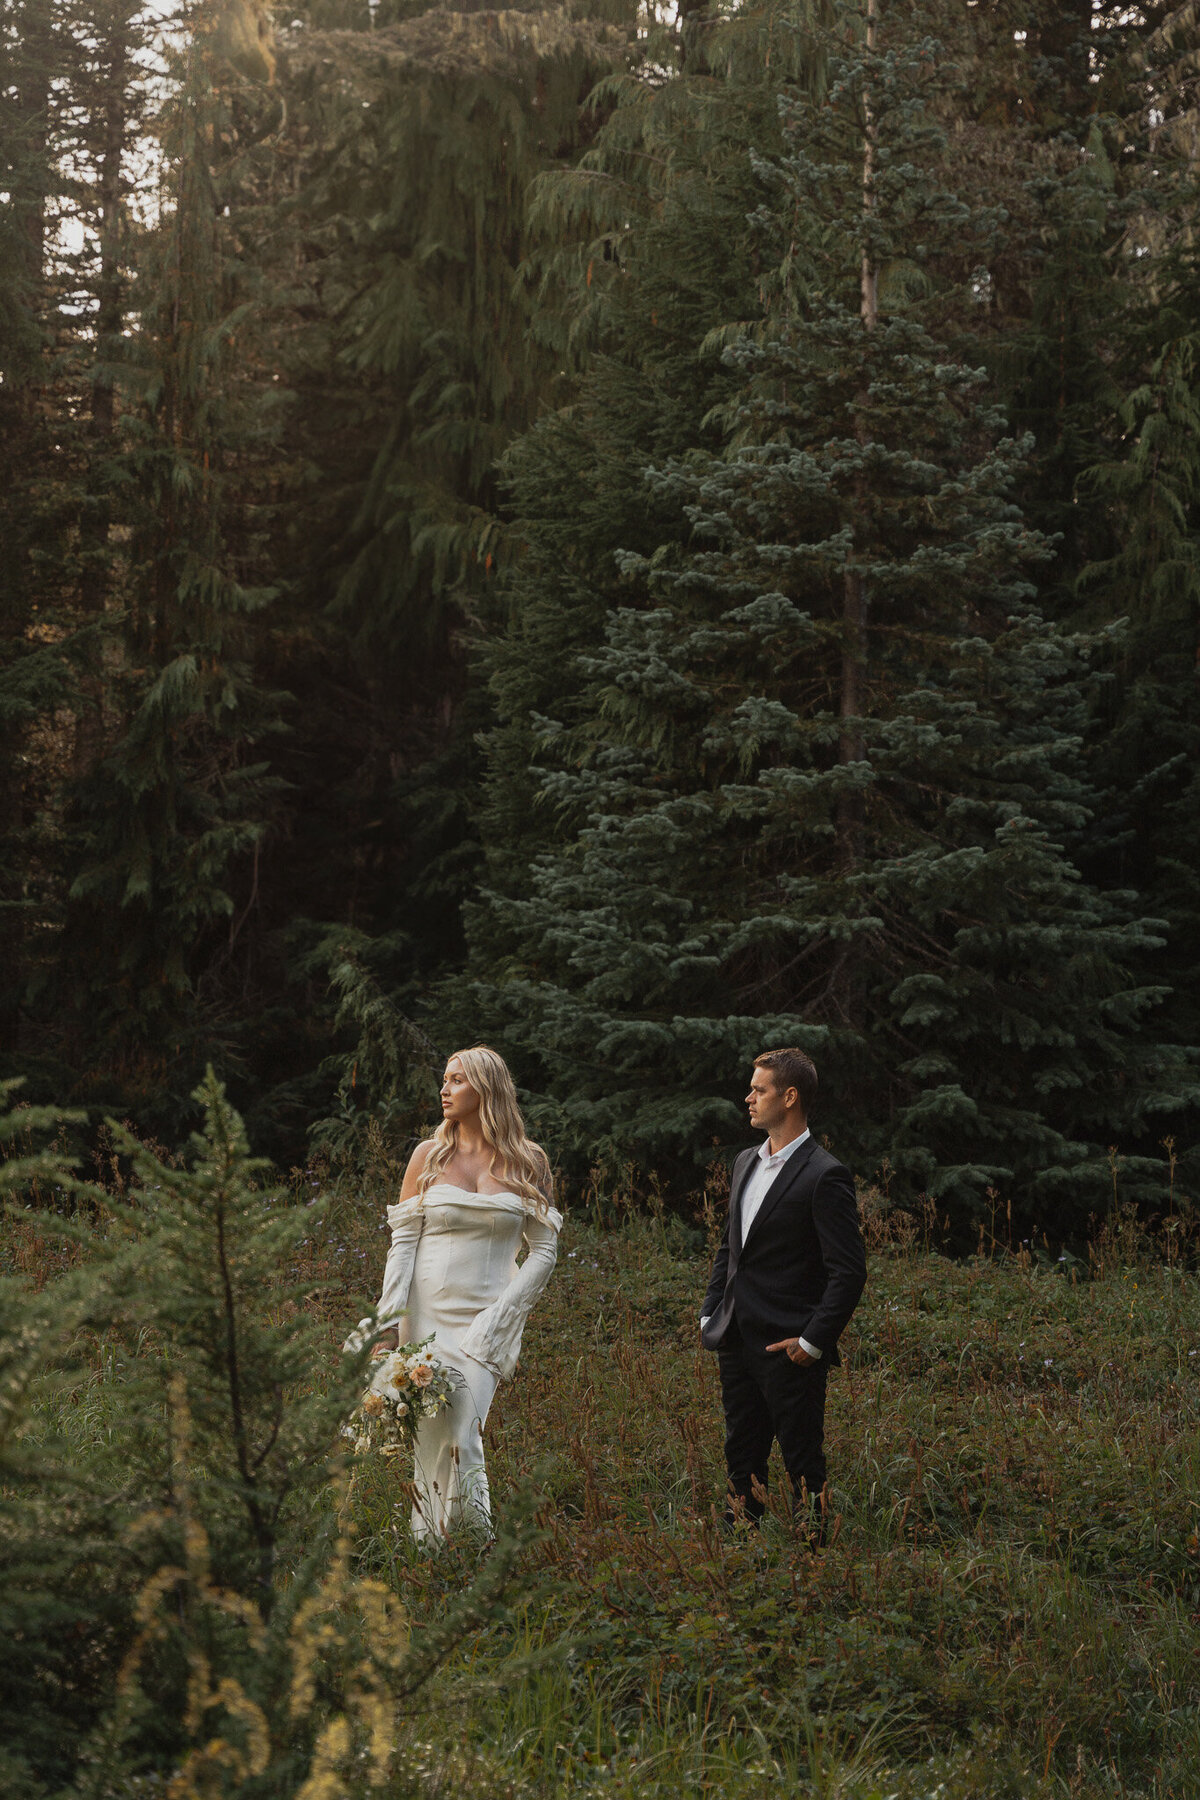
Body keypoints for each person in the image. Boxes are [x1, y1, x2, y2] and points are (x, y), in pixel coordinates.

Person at [354, 1045, 561, 1540]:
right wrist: (387, 1322)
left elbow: (545, 1249)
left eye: (456, 1081)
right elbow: (402, 1245)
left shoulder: (528, 1161)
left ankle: (468, 1542)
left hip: (487, 1316)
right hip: (424, 1314)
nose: (444, 1089)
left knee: (465, 1432)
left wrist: (504, 1315)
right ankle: (438, 1547)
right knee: (433, 1436)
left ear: (485, 1089)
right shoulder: (428, 1156)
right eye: (444, 1080)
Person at [700, 1048, 866, 1533]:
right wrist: (710, 1313)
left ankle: (814, 1566)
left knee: (803, 1468)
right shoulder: (744, 1162)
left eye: (760, 1090)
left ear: (789, 1097)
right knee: (741, 1460)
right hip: (734, 1338)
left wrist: (813, 1342)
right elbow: (731, 1249)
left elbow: (849, 1272)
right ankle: (739, 1556)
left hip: (789, 1349)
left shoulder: (824, 1174)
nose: (748, 1098)